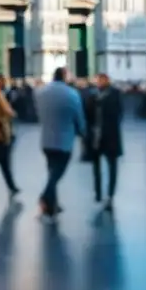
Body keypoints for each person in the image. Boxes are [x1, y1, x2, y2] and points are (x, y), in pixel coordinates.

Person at [35, 67, 86, 220]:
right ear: (64, 76)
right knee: (56, 174)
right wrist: (83, 132)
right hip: (64, 140)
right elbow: (79, 117)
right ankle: (45, 196)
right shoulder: (72, 94)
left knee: (52, 171)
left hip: (46, 140)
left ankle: (53, 206)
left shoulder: (41, 92)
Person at [91, 72, 123, 211]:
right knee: (97, 167)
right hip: (98, 136)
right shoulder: (94, 95)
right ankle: (98, 192)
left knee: (112, 167)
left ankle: (110, 195)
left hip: (109, 136)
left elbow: (118, 113)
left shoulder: (113, 94)